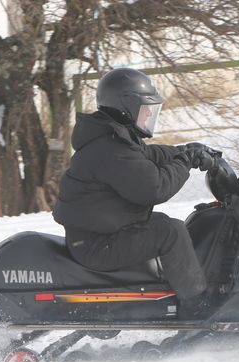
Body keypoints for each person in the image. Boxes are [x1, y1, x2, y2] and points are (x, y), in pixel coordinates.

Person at [52, 67, 219, 318]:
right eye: (145, 109)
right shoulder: (111, 149)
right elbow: (155, 188)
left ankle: (171, 288)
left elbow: (149, 155)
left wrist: (184, 150)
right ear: (126, 107)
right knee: (170, 231)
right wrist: (184, 162)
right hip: (97, 247)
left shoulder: (113, 139)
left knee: (161, 223)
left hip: (95, 238)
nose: (149, 116)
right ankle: (198, 308)